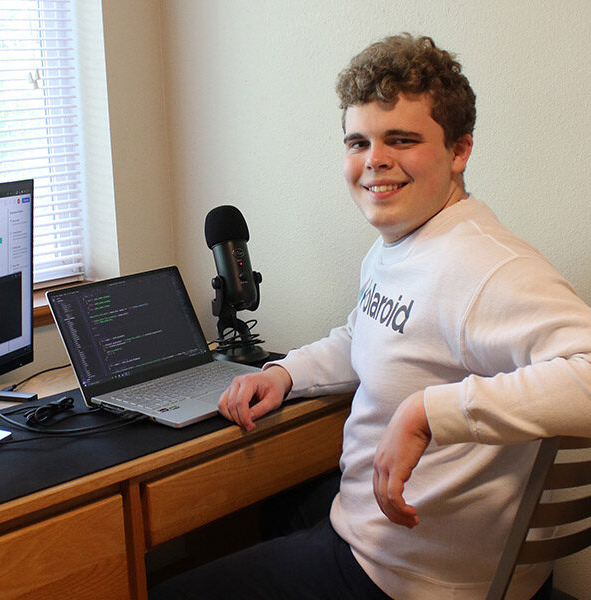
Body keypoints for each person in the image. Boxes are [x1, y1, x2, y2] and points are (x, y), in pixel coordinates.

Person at [150, 33, 591, 600]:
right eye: (358, 142)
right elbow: (372, 333)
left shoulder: (485, 267)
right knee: (277, 506)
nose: (375, 160)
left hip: (404, 576)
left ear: (459, 151)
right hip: (400, 540)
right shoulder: (404, 244)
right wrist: (285, 374)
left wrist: (429, 412)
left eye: (401, 140)